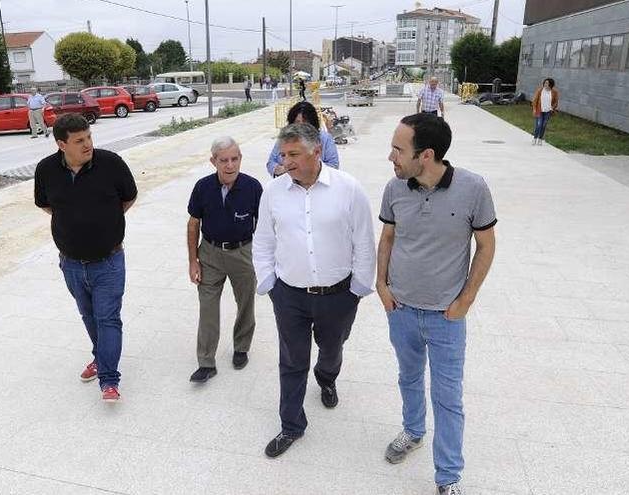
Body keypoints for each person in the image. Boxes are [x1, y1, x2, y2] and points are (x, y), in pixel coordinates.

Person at [377, 113, 496, 495]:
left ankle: (448, 478)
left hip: (446, 316)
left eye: (398, 149)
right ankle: (412, 432)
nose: (391, 156)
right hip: (402, 310)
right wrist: (382, 285)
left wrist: (466, 299)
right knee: (408, 377)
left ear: (426, 155)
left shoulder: (473, 188)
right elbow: (388, 238)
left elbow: (486, 245)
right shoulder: (395, 189)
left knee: (448, 397)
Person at [253, 122, 376, 458]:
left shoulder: (348, 189)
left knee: (332, 346)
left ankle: (327, 377)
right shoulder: (273, 192)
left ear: (317, 152)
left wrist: (358, 290)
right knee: (292, 360)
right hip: (288, 295)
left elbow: (364, 242)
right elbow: (263, 241)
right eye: (283, 154)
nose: (286, 161)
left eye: (293, 154)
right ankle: (291, 425)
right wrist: (269, 285)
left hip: (338, 295)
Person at [34, 113, 138, 403]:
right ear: (61, 145)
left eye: (89, 137)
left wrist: (105, 222)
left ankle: (109, 379)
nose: (88, 144)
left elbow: (128, 197)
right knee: (89, 316)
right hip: (70, 262)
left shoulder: (111, 163)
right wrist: (74, 220)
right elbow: (45, 204)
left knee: (108, 319)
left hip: (109, 261)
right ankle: (100, 356)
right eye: (79, 140)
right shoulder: (46, 170)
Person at [186, 137, 263, 383]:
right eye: (224, 160)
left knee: (245, 304)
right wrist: (193, 261)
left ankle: (241, 347)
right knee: (207, 308)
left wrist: (262, 259)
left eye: (235, 159)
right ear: (213, 162)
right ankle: (206, 362)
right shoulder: (202, 187)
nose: (230, 165)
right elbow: (193, 224)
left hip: (242, 253)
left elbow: (264, 227)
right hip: (209, 254)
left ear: (240, 159)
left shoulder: (253, 188)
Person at [266, 101, 339, 177]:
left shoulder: (324, 138)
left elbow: (333, 164)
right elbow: (271, 162)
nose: (301, 126)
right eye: (297, 122)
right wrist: (280, 169)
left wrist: (308, 171)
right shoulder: (285, 139)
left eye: (305, 122)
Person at [532, 78, 559, 145]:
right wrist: (534, 109)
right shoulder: (540, 90)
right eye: (545, 83)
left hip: (548, 111)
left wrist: (552, 108)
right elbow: (535, 100)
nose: (545, 84)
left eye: (547, 83)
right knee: (539, 125)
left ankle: (540, 139)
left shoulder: (554, 92)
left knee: (544, 125)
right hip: (539, 110)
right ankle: (535, 138)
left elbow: (556, 101)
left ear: (550, 84)